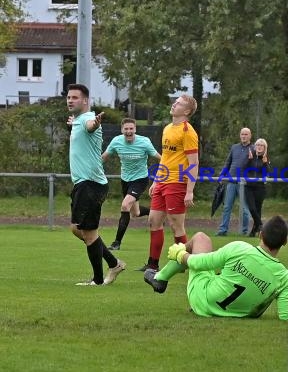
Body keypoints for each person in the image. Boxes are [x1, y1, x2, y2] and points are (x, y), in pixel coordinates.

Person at [144, 215, 288, 320]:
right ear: (284, 242)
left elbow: (200, 263)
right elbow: (286, 316)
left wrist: (180, 254)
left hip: (203, 302)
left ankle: (160, 277)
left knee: (201, 238)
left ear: (260, 235)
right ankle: (162, 278)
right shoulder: (285, 277)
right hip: (238, 314)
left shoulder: (239, 248)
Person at [66, 83, 126, 286]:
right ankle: (114, 263)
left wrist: (96, 123)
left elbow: (91, 125)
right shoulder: (77, 121)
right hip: (82, 184)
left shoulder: (88, 119)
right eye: (68, 97)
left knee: (89, 233)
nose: (70, 100)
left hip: (91, 184)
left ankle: (98, 281)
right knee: (76, 229)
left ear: (85, 101)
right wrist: (72, 124)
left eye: (75, 97)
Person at [139, 94, 199, 271]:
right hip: (163, 181)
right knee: (153, 220)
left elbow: (194, 163)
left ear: (187, 111)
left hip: (178, 182)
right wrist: (156, 180)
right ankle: (152, 264)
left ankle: (185, 264)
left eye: (179, 103)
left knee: (175, 225)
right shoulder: (167, 128)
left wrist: (190, 191)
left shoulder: (188, 132)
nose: (174, 104)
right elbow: (165, 158)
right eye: (175, 101)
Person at [102, 118, 162, 250]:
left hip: (140, 179)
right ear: (122, 130)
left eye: (131, 129)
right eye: (126, 129)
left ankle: (116, 243)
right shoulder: (116, 141)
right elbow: (104, 157)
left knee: (125, 205)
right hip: (125, 180)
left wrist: (160, 177)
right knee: (135, 213)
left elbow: (161, 159)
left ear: (135, 129)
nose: (129, 131)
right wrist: (92, 168)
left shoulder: (144, 142)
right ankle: (156, 211)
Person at [216, 128, 255, 236]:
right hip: (231, 181)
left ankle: (244, 232)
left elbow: (256, 167)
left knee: (244, 210)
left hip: (244, 183)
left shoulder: (254, 149)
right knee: (227, 207)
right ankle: (222, 231)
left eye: (246, 134)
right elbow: (228, 162)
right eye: (242, 134)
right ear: (240, 135)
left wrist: (252, 159)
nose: (244, 136)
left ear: (250, 136)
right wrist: (222, 175)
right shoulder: (234, 147)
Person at [244, 138, 271, 237]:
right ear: (255, 147)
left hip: (260, 187)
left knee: (258, 210)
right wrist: (249, 160)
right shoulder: (250, 156)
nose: (259, 147)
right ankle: (261, 225)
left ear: (264, 148)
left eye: (261, 145)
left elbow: (267, 173)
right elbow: (244, 169)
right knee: (252, 208)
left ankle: (253, 232)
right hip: (249, 187)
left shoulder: (265, 158)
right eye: (257, 145)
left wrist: (264, 163)